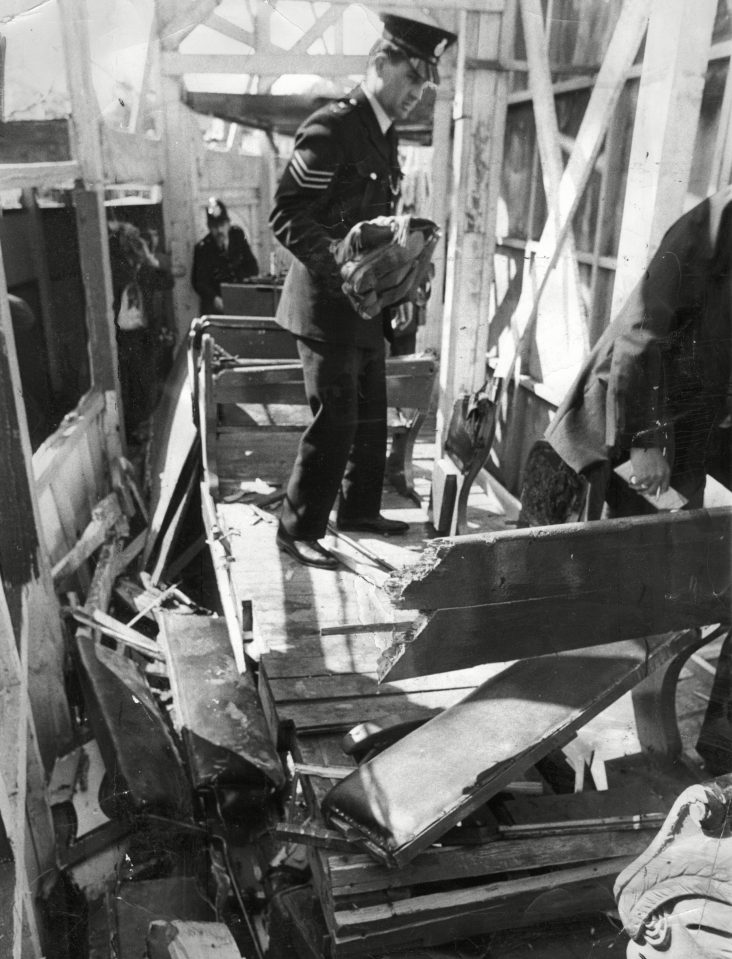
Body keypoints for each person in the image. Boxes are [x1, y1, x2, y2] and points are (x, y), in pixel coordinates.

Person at [269, 14, 457, 569]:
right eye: (413, 78)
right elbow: (287, 215)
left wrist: (393, 293)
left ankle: (358, 510)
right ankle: (297, 528)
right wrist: (340, 265)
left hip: (365, 307)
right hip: (326, 306)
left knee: (371, 411)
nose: (418, 94)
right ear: (380, 63)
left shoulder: (383, 135)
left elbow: (378, 226)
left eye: (426, 84)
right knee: (337, 419)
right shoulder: (332, 128)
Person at [522, 186, 732, 524]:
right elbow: (642, 333)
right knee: (600, 550)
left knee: (677, 544)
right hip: (626, 418)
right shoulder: (713, 222)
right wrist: (643, 441)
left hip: (686, 429)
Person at [191, 197, 259, 315]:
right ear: (209, 227)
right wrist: (214, 298)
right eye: (214, 226)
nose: (219, 230)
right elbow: (198, 282)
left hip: (240, 299)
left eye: (222, 224)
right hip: (217, 305)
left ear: (228, 223)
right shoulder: (203, 248)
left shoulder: (237, 236)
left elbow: (252, 267)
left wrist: (245, 288)